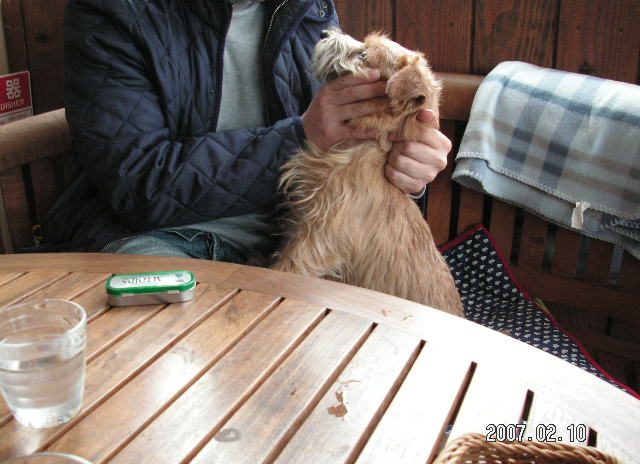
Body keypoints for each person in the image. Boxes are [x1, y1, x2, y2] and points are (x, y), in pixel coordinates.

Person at [43, 0, 452, 265]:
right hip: (166, 240)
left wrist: (403, 165)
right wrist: (300, 137)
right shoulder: (112, 11)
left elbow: (342, 135)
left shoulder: (305, 6)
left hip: (298, 230)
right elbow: (139, 183)